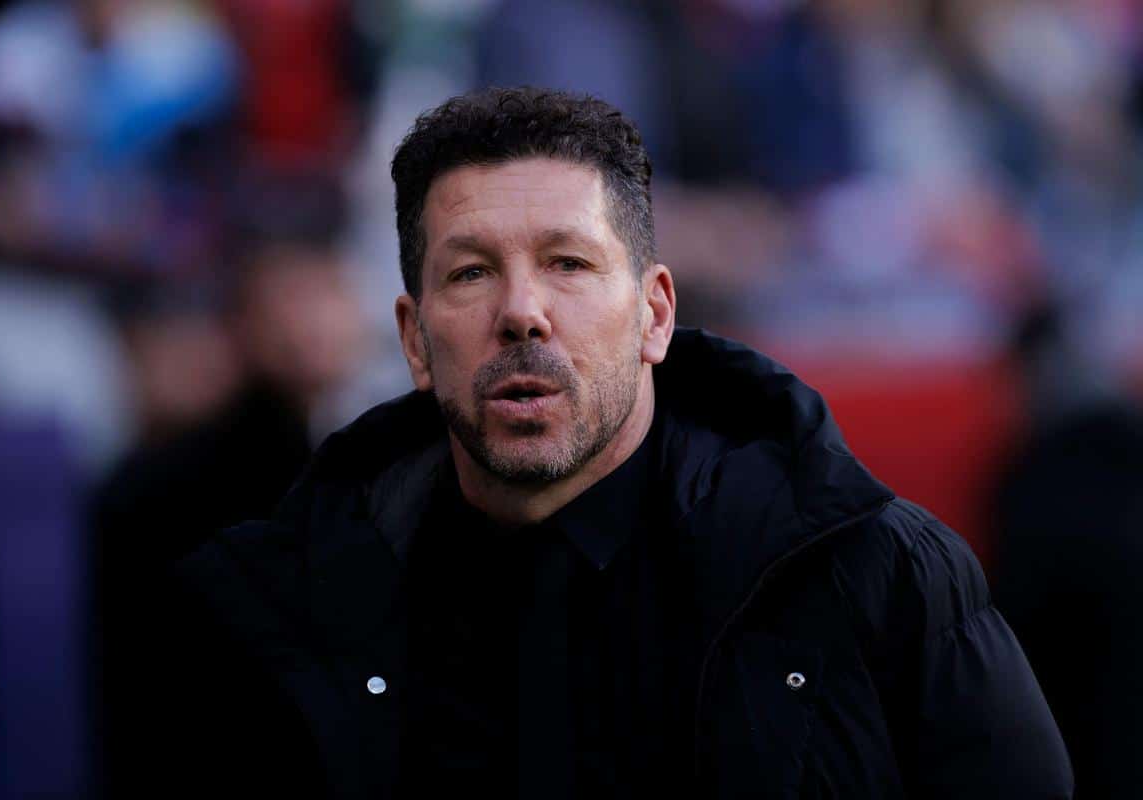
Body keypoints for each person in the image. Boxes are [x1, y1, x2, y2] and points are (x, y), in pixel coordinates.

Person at [176, 87, 1072, 798]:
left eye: (567, 263)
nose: (523, 312)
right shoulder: (277, 610)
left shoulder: (876, 575)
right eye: (472, 272)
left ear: (655, 314)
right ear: (414, 340)